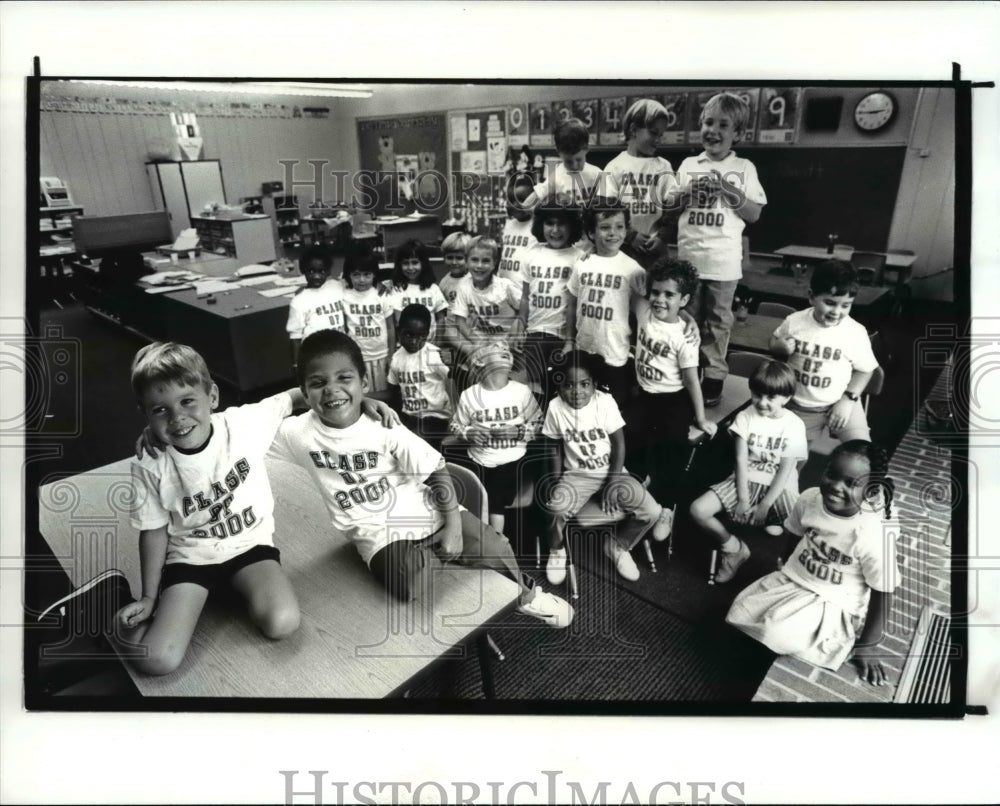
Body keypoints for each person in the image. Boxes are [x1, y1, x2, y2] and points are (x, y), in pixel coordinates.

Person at [35, 343, 402, 676]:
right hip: (191, 558)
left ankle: (230, 589)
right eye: (160, 410)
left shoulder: (243, 424)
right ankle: (113, 598)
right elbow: (153, 530)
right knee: (157, 660)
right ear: (145, 414)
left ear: (212, 396)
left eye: (187, 402)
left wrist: (358, 405)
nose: (177, 418)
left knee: (283, 623)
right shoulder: (150, 465)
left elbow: (299, 395)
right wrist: (148, 597)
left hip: (250, 550)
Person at [267, 329, 573, 628]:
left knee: (496, 547)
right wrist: (303, 395)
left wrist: (453, 526)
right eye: (318, 383)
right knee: (407, 587)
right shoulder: (297, 433)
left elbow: (436, 470)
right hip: (379, 533)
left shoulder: (384, 424)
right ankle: (448, 559)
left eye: (344, 378)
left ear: (364, 382)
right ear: (304, 392)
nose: (332, 389)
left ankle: (526, 595)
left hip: (427, 509)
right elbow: (244, 424)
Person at [726, 441, 898, 686]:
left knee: (774, 632)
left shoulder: (870, 534)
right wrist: (785, 564)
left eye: (851, 483)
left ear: (870, 492)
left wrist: (869, 644)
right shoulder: (809, 499)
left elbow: (885, 588)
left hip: (832, 598)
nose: (836, 487)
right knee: (740, 609)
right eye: (832, 474)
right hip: (797, 577)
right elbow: (795, 532)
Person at [665, 92, 767, 407]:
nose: (714, 130)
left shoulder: (744, 167)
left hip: (723, 265)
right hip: (689, 263)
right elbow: (668, 206)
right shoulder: (688, 164)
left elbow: (754, 213)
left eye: (724, 125)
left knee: (719, 322)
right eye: (709, 122)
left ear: (737, 134)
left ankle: (715, 377)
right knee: (687, 320)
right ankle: (689, 371)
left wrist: (726, 187)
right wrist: (687, 191)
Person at [541, 350, 673, 585]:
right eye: (569, 385)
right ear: (559, 386)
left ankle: (617, 546)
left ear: (595, 384)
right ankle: (557, 550)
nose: (577, 391)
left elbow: (619, 445)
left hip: (612, 471)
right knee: (555, 510)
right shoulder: (555, 407)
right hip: (577, 476)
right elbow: (553, 448)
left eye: (584, 384)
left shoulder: (604, 402)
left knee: (651, 511)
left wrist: (612, 483)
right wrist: (554, 482)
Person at [689, 360, 808, 583]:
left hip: (778, 485)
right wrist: (743, 499)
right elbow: (740, 459)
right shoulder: (745, 416)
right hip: (746, 478)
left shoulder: (794, 424)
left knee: (804, 522)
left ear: (787, 397)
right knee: (698, 510)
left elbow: (785, 470)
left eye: (771, 397)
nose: (762, 403)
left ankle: (790, 569)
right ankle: (734, 548)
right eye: (757, 395)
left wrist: (765, 505)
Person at [627, 256, 717, 534]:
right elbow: (630, 276)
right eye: (655, 292)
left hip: (673, 401)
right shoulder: (643, 310)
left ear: (685, 298)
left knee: (672, 451)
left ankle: (667, 507)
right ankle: (639, 490)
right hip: (644, 395)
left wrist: (701, 418)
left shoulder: (685, 337)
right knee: (634, 441)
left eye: (669, 295)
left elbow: (692, 380)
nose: (660, 299)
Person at [769, 259, 880, 446]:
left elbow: (866, 369)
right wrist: (778, 346)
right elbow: (774, 341)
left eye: (846, 305)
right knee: (792, 458)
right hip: (800, 405)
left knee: (860, 453)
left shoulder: (855, 332)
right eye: (830, 303)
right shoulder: (794, 322)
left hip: (843, 398)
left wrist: (848, 400)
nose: (837, 312)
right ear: (812, 297)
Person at [450, 340, 542, 536]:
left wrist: (517, 431)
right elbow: (455, 425)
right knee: (463, 485)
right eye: (496, 347)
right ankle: (470, 538)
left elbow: (541, 425)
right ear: (479, 360)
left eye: (507, 348)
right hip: (478, 458)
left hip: (512, 459)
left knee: (495, 491)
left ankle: (496, 541)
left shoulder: (521, 392)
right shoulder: (469, 395)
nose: (504, 349)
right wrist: (469, 433)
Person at [565, 197, 648, 410]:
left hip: (614, 354)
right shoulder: (582, 264)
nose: (613, 233)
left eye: (619, 227)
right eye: (605, 227)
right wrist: (568, 340)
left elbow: (646, 315)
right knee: (583, 407)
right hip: (584, 350)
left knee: (612, 410)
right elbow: (572, 304)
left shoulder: (633, 269)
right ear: (591, 233)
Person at [517, 199, 584, 403]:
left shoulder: (579, 257)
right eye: (549, 223)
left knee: (559, 386)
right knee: (535, 386)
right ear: (540, 225)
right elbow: (526, 296)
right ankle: (539, 430)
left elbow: (577, 302)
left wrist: (570, 340)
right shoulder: (531, 254)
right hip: (535, 332)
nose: (555, 230)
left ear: (572, 226)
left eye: (562, 223)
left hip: (561, 334)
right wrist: (520, 325)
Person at [603, 98, 678, 267]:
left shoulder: (663, 166)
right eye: (653, 132)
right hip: (622, 248)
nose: (658, 139)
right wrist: (629, 236)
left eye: (661, 135)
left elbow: (672, 208)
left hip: (656, 249)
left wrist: (662, 237)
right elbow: (606, 209)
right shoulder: (614, 166)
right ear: (634, 129)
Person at [451, 235, 524, 388]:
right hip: (482, 338)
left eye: (485, 261)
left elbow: (524, 308)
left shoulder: (504, 286)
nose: (479, 266)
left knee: (508, 375)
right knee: (449, 331)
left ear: (494, 263)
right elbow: (459, 321)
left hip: (506, 338)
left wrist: (517, 328)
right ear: (467, 261)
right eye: (474, 260)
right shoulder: (463, 286)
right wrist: (476, 340)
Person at [387, 303, 453, 454]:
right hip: (409, 415)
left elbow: (454, 379)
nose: (414, 342)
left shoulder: (433, 355)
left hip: (435, 416)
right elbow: (394, 389)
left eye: (421, 337)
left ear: (428, 334)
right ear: (398, 331)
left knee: (415, 442)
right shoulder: (397, 357)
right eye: (409, 335)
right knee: (392, 439)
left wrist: (455, 416)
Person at [342, 245, 395, 397]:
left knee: (383, 394)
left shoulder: (382, 295)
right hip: (357, 356)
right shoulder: (344, 294)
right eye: (356, 275)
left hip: (380, 355)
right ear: (349, 275)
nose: (362, 280)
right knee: (360, 394)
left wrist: (390, 355)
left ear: (374, 274)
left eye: (367, 274)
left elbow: (390, 327)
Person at [286, 245, 345, 370]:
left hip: (340, 350)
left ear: (328, 271)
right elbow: (295, 336)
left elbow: (359, 285)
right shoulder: (299, 300)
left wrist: (378, 283)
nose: (316, 276)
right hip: (315, 354)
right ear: (303, 271)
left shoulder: (337, 286)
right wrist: (296, 365)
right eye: (311, 271)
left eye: (321, 271)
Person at [526, 117, 604, 209]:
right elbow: (537, 195)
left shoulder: (597, 174)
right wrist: (524, 208)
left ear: (587, 149)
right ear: (558, 152)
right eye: (568, 162)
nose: (575, 166)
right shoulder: (556, 176)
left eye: (579, 160)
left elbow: (608, 202)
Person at [389, 238, 448, 343]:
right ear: (399, 265)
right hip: (408, 345)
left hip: (430, 345)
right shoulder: (398, 290)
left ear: (423, 264)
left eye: (415, 262)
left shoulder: (433, 289)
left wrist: (438, 345)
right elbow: (398, 321)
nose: (410, 268)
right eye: (406, 263)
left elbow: (440, 319)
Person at [436, 231, 473, 366]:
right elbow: (442, 310)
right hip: (454, 331)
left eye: (459, 258)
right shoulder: (445, 283)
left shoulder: (474, 279)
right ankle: (470, 352)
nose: (454, 262)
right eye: (449, 257)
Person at [498, 174, 539, 285]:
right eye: (512, 200)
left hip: (524, 288)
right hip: (503, 286)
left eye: (522, 199)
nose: (516, 204)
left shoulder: (538, 225)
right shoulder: (509, 224)